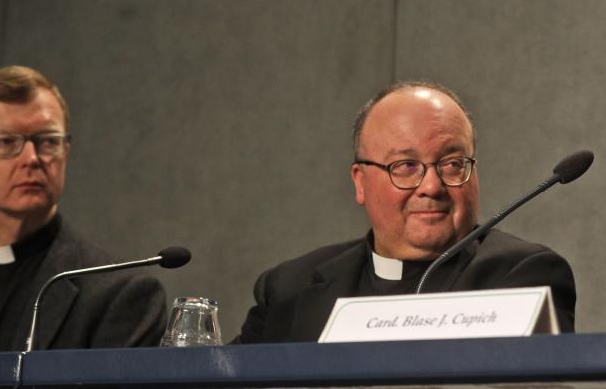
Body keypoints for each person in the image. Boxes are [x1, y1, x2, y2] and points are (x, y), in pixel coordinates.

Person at [236, 81, 576, 342]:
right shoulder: (290, 288)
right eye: (406, 165)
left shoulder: (521, 276)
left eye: (453, 164)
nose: (432, 186)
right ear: (360, 182)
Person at [0, 65, 168, 352]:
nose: (31, 158)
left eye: (48, 142)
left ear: (66, 151)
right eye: (5, 142)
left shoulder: (119, 295)